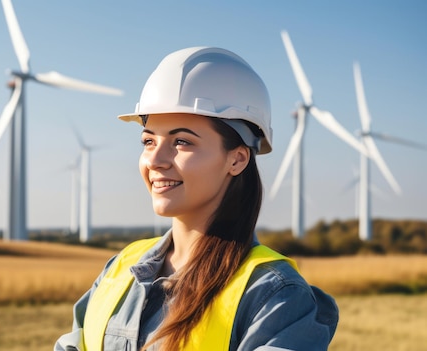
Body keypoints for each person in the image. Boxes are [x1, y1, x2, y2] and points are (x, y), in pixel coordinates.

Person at [54, 47, 339, 351]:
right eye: (148, 141)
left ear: (237, 159)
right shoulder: (120, 268)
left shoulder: (274, 294)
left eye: (181, 142)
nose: (156, 160)